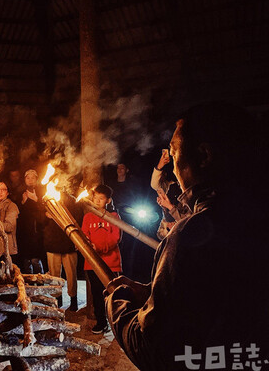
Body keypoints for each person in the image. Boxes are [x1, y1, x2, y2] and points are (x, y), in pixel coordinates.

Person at [104, 102, 269, 370]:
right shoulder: (255, 214)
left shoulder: (194, 234)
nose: (174, 165)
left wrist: (118, 303)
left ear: (203, 156)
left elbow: (154, 349)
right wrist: (150, 292)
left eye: (175, 152)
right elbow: (208, 299)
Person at [81, 184, 122, 334]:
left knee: (112, 293)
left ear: (108, 200)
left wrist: (101, 248)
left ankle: (117, 322)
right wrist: (88, 244)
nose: (97, 201)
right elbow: (84, 234)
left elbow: (115, 237)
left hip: (111, 262)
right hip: (92, 263)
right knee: (97, 293)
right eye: (95, 197)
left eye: (101, 198)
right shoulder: (87, 217)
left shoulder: (114, 217)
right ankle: (101, 321)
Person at [42, 191, 79, 311]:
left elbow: (77, 219)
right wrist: (46, 215)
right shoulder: (46, 199)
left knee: (71, 274)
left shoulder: (72, 200)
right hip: (52, 243)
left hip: (68, 242)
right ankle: (57, 299)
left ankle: (73, 300)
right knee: (54, 274)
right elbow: (39, 219)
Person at [150, 149, 190, 239]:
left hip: (176, 168)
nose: (169, 226)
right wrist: (169, 206)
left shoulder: (167, 214)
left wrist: (159, 167)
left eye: (165, 227)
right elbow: (186, 218)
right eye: (169, 230)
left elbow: (155, 185)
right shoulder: (185, 222)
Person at [17, 169, 46, 274]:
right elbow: (18, 214)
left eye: (33, 178)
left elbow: (45, 213)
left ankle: (40, 282)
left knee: (36, 259)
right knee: (26, 260)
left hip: (37, 232)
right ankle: (28, 284)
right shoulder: (20, 193)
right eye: (28, 178)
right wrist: (23, 203)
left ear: (37, 180)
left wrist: (37, 200)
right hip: (24, 233)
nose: (30, 180)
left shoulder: (41, 194)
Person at [0, 181, 20, 264]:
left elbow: (9, 227)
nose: (0, 192)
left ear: (8, 192)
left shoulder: (11, 206)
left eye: (3, 190)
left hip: (6, 249)